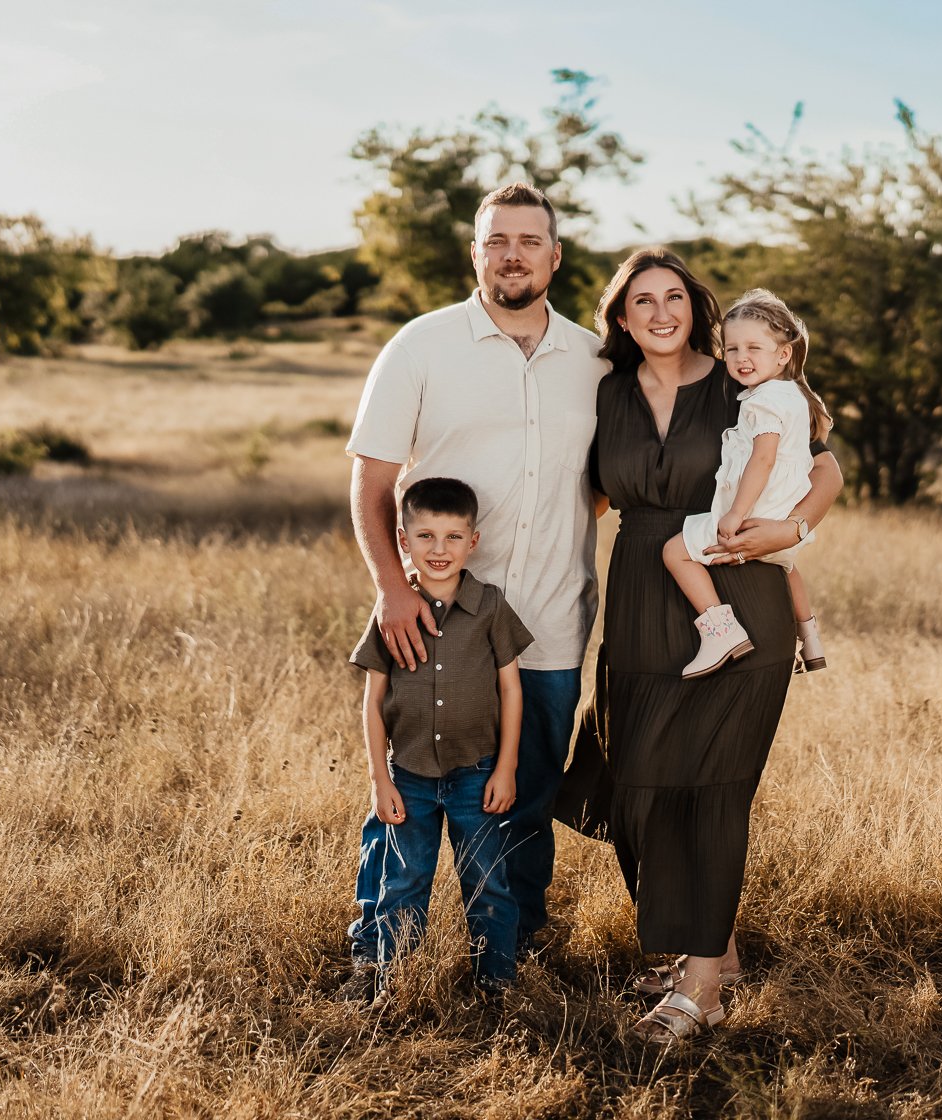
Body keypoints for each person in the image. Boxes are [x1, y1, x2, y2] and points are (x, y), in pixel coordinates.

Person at [339, 182, 608, 999]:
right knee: (413, 786)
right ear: (476, 253)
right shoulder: (421, 346)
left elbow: (600, 483)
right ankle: (378, 953)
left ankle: (513, 952)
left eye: (530, 241)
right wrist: (394, 588)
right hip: (438, 621)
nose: (514, 255)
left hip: (553, 620)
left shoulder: (595, 358)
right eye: (498, 240)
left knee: (522, 795)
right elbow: (373, 477)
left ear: (556, 256)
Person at [573, 248, 842, 1039]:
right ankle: (706, 944)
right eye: (641, 301)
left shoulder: (742, 378)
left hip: (737, 587)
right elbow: (578, 492)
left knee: (715, 785)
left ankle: (700, 988)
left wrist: (793, 528)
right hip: (638, 590)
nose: (660, 313)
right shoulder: (606, 394)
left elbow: (824, 466)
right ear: (621, 317)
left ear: (697, 308)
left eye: (674, 298)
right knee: (638, 778)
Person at [349, 477, 532, 995]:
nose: (439, 549)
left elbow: (512, 691)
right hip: (408, 775)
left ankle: (497, 985)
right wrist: (378, 780)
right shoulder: (392, 610)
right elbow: (373, 699)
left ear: (473, 542)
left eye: (453, 537)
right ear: (403, 540)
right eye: (425, 536)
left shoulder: (490, 607)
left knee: (488, 882)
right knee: (403, 882)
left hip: (477, 771)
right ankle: (389, 983)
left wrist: (506, 767)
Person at [662, 289, 833, 678]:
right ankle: (809, 636)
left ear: (783, 354)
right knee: (786, 564)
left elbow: (763, 458)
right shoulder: (792, 395)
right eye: (733, 348)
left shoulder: (762, 401)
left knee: (675, 552)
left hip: (756, 514)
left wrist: (736, 512)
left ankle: (720, 630)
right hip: (781, 515)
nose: (742, 358)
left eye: (754, 347)